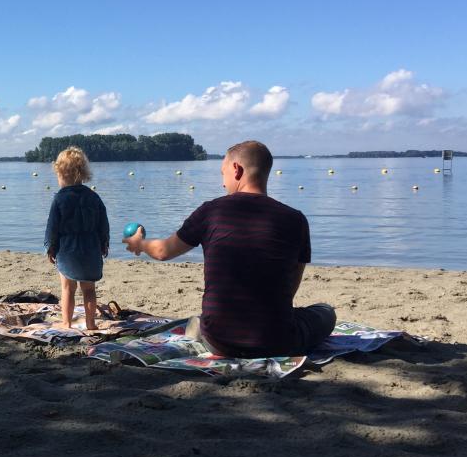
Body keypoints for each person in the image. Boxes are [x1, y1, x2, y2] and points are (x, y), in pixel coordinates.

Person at [122, 140, 336, 358]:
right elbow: (290, 287)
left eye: (222, 173)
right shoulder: (296, 220)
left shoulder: (210, 212)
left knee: (203, 320)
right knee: (326, 312)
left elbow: (163, 251)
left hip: (219, 341)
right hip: (278, 341)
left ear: (236, 170)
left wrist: (139, 243)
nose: (223, 183)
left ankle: (201, 328)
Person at [45, 147, 109, 331]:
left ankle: (66, 323)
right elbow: (103, 223)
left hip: (68, 249)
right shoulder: (94, 197)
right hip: (91, 248)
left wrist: (51, 247)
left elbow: (52, 227)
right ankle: (91, 323)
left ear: (61, 173)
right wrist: (104, 243)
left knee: (67, 289)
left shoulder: (59, 199)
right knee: (89, 290)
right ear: (82, 173)